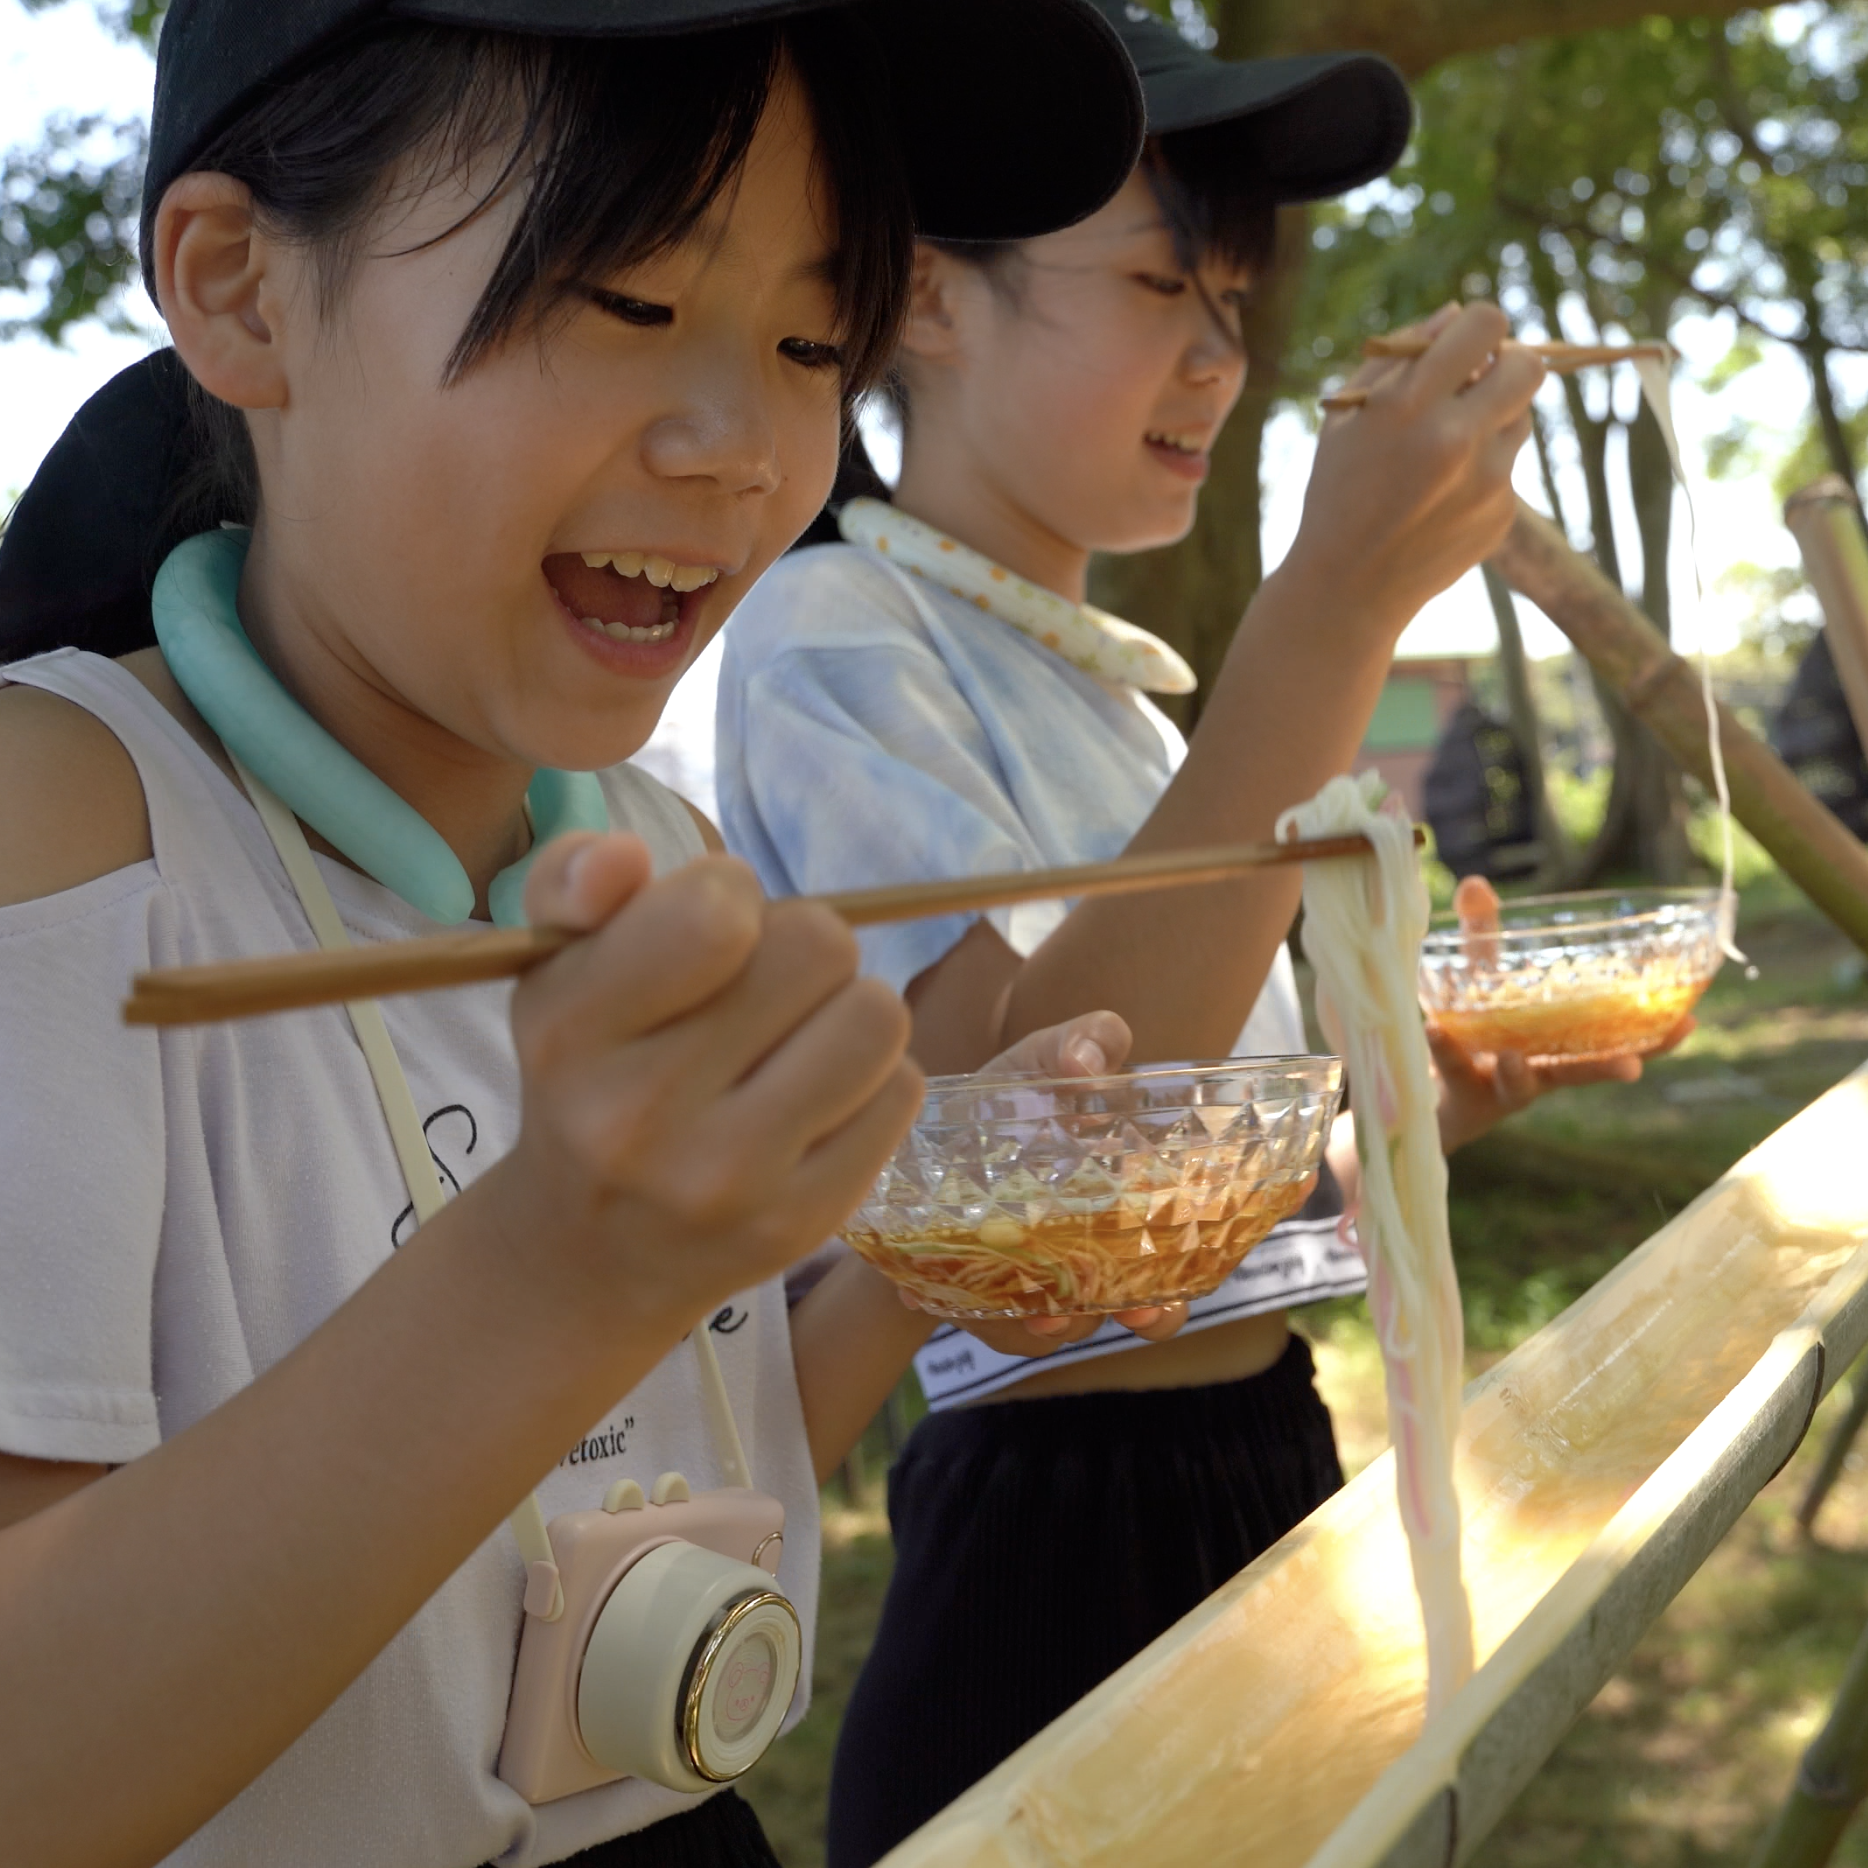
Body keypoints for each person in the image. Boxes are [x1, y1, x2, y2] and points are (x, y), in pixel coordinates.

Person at [0, 3, 1156, 1865]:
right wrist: (554, 1264)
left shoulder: (652, 847)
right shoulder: (61, 829)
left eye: (809, 345)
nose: (742, 450)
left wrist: (939, 1237)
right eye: (626, 297)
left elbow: (705, 1423)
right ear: (238, 288)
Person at [712, 6, 1683, 1861]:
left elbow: (1193, 1219)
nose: (1220, 362)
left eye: (1236, 308)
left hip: (1272, 1459)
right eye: (1163, 283)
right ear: (923, 298)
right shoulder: (835, 636)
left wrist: (1416, 1117)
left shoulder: (1139, 712)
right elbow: (1039, 1157)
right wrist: (1331, 610)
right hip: (1054, 1536)